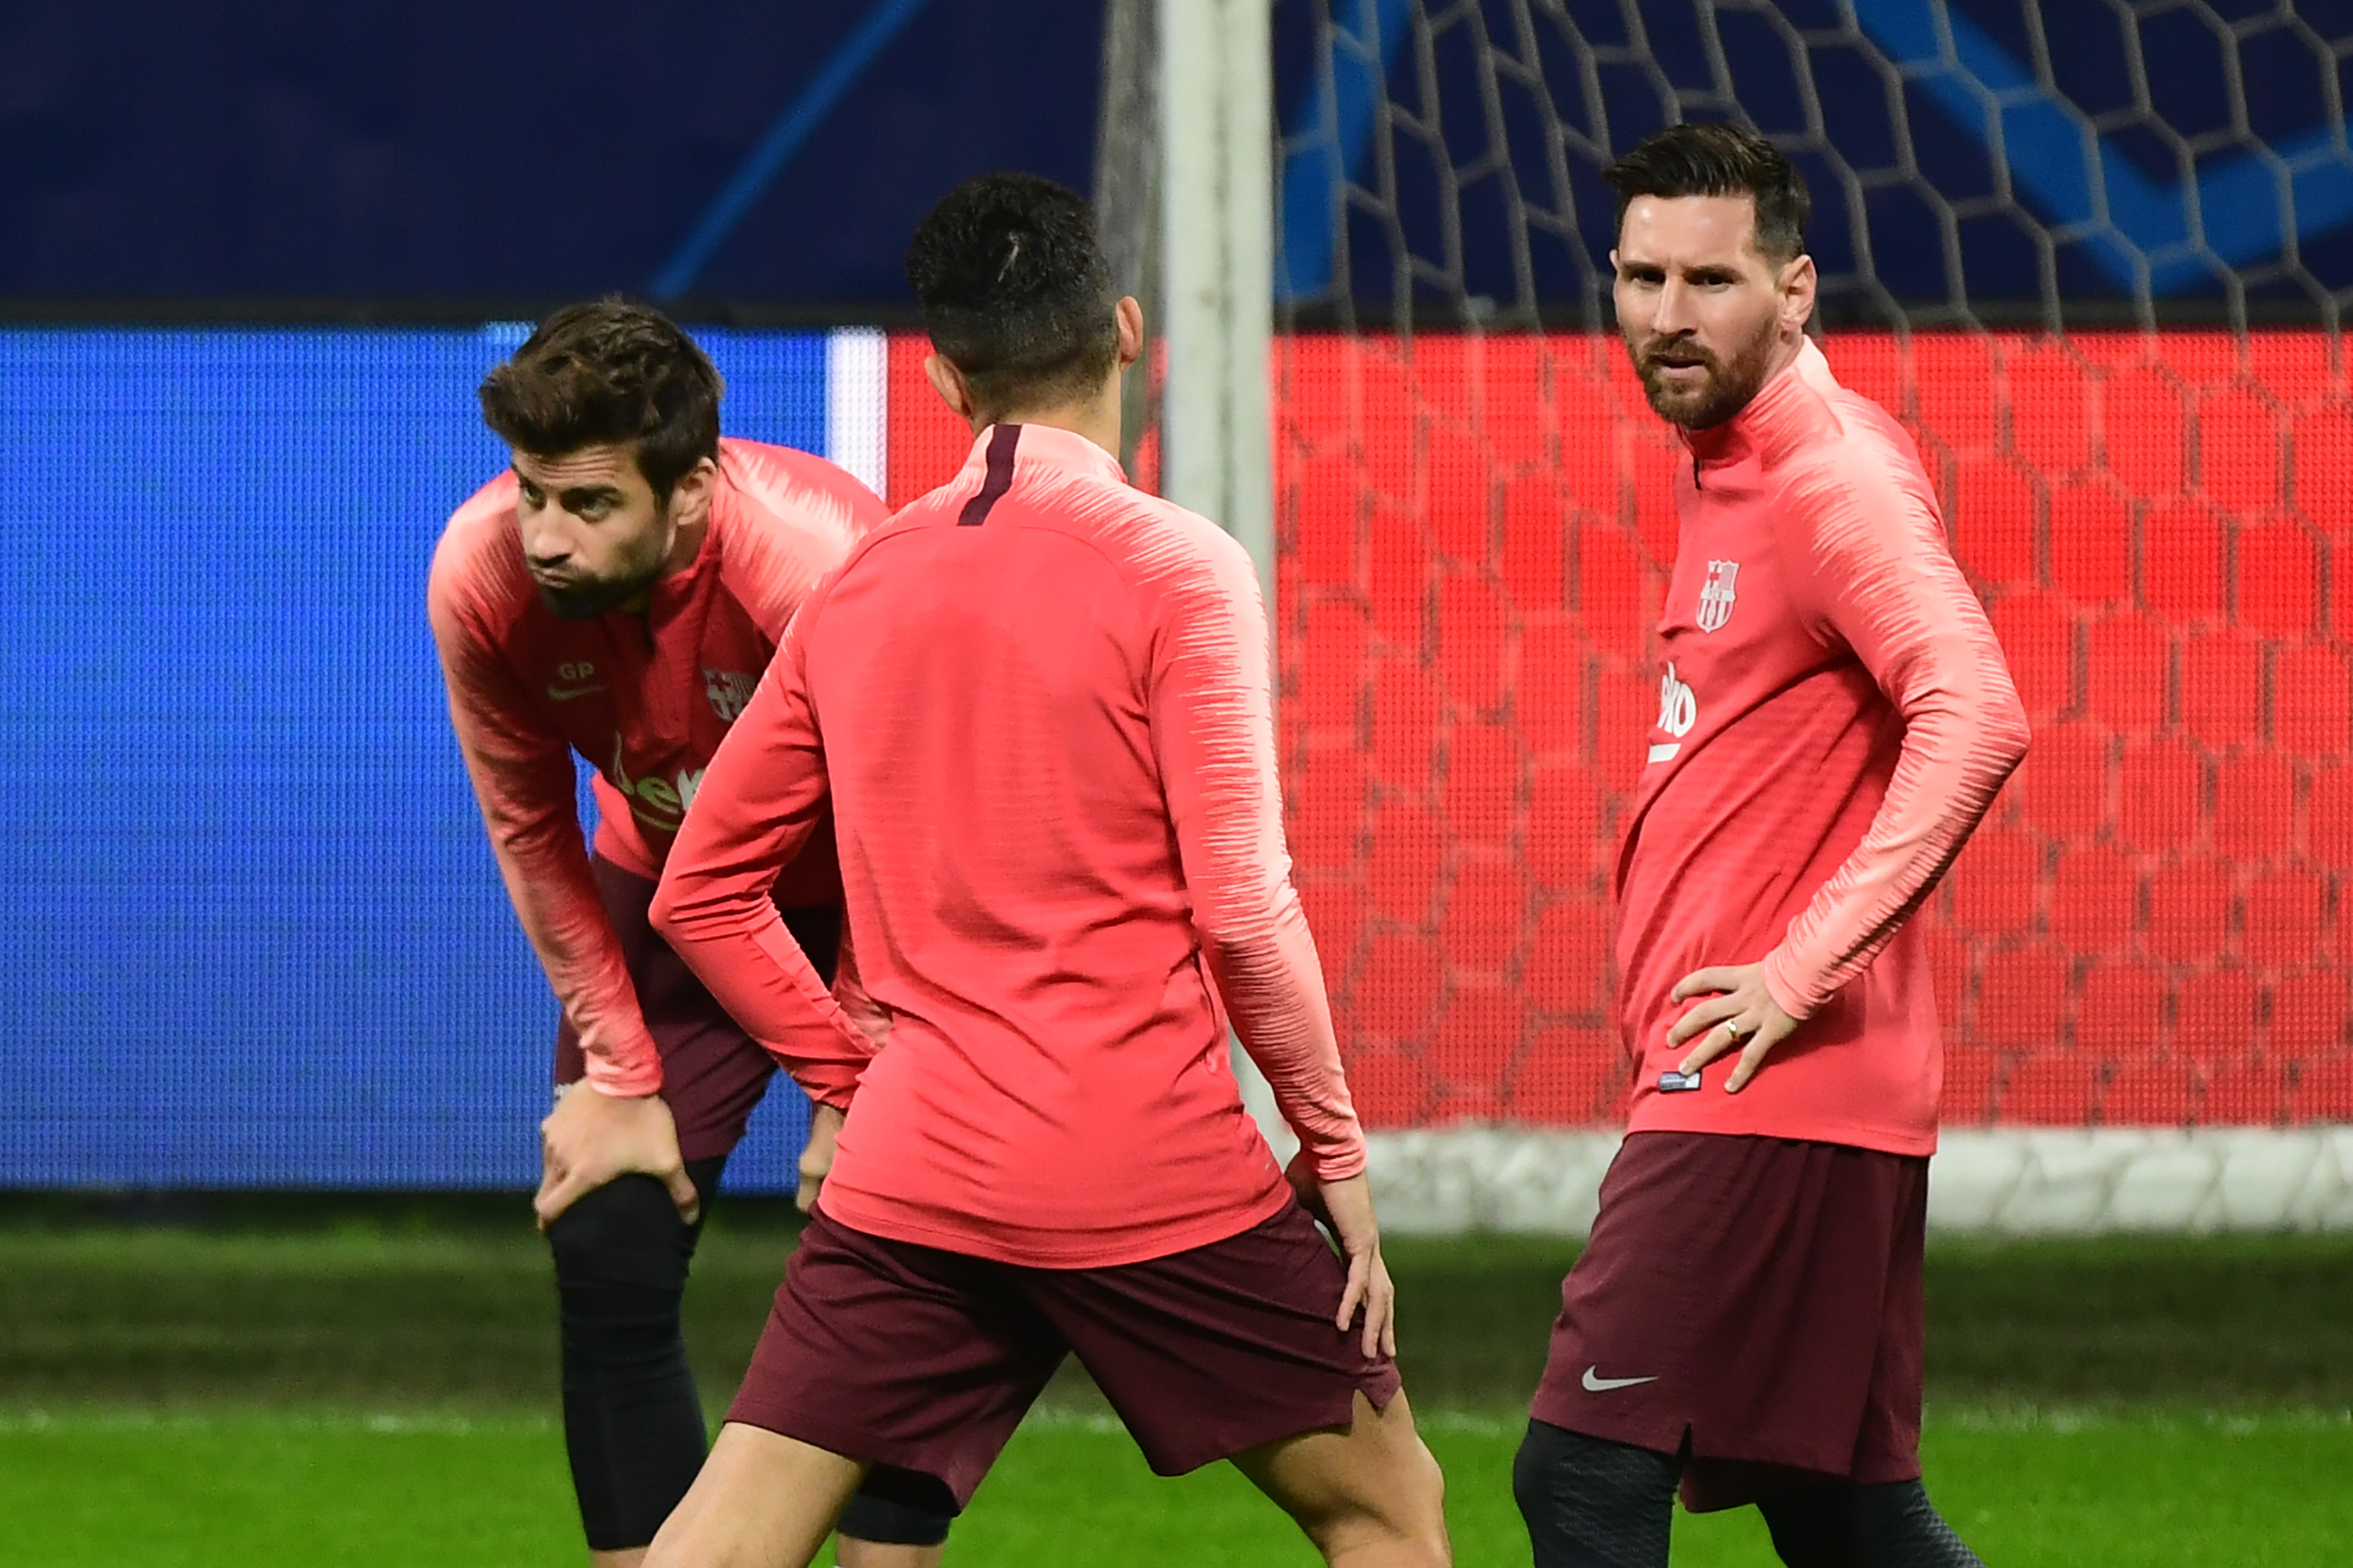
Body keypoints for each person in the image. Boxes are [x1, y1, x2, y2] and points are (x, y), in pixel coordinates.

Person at [639, 173, 1452, 1568]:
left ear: (947, 374)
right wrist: (1336, 1155)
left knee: (712, 1548)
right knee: (1386, 1506)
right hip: (1143, 1160)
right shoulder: (1178, 569)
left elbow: (696, 887)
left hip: (917, 1171)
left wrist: (854, 1076)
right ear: (1128, 329)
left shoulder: (860, 582)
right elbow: (1246, 913)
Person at [1510, 124, 2030, 1568]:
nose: (1668, 317)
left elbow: (1978, 713)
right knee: (1850, 1517)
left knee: (1580, 1475)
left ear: (1796, 287)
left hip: (1767, 1082)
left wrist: (1796, 972)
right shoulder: (1726, 456)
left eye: (1711, 280)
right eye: (1640, 276)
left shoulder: (1827, 475)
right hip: (1792, 1089)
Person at [427, 299, 957, 1568]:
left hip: (876, 906)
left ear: (690, 495)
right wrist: (618, 1071)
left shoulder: (822, 565)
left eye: (589, 505)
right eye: (531, 493)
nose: (546, 538)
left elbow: (910, 823)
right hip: (667, 901)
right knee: (606, 1225)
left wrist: (861, 1072)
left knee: (903, 1238)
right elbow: (531, 827)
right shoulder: (481, 577)